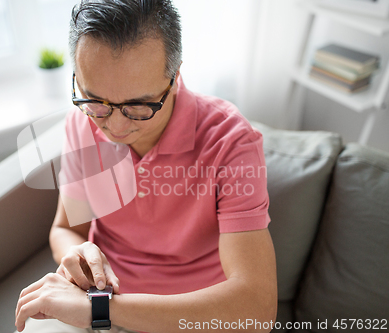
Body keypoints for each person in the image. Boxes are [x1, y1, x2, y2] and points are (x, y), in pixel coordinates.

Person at [15, 0, 277, 332]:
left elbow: (257, 307)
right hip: (100, 301)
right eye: (94, 101)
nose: (114, 126)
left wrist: (101, 310)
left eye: (138, 106)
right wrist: (80, 255)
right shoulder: (83, 123)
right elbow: (66, 229)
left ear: (175, 76)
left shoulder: (230, 142)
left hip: (192, 317)